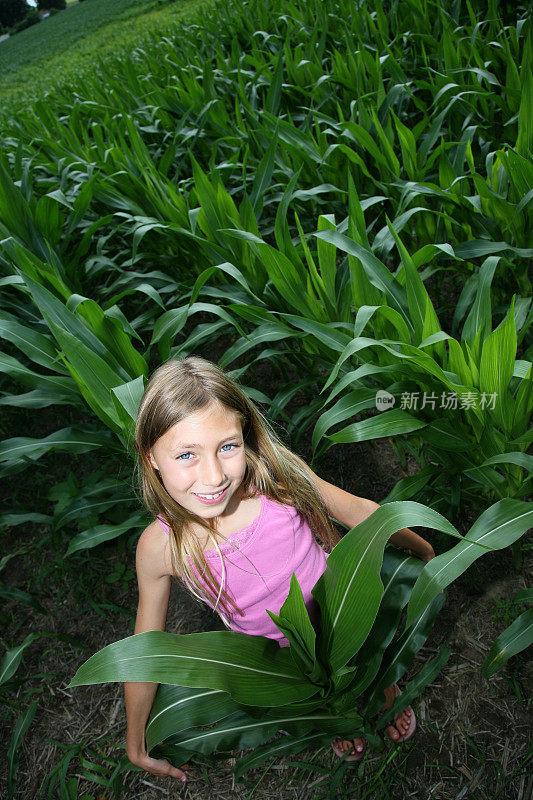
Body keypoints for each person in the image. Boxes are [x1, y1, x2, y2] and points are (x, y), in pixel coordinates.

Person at [126, 356, 436, 782]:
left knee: (366, 661)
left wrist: (425, 550)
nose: (214, 476)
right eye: (186, 455)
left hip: (340, 613)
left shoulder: (276, 483)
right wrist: (135, 737)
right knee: (314, 698)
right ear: (152, 457)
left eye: (227, 447)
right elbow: (146, 649)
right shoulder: (161, 547)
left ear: (246, 436)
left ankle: (384, 691)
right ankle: (336, 720)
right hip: (276, 656)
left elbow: (357, 511)